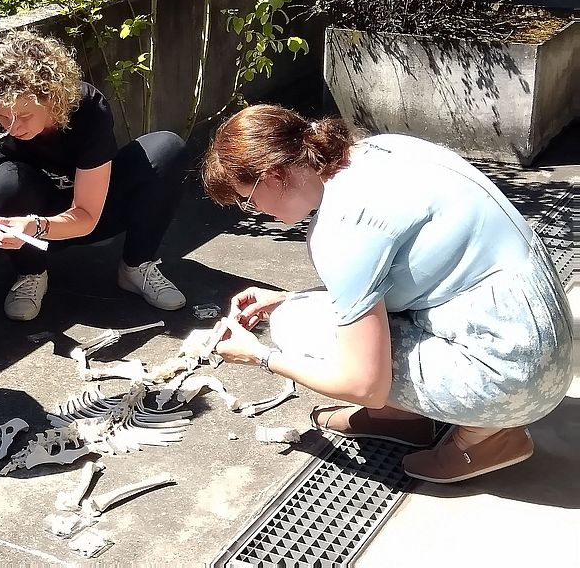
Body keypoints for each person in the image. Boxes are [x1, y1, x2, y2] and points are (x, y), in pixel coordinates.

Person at [203, 104, 573, 483]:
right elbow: (407, 268)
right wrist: (289, 296)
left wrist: (260, 356)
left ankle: (488, 436)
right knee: (298, 309)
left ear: (275, 176)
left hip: (515, 379)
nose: (253, 212)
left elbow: (363, 384)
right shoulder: (379, 149)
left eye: (247, 199)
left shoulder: (340, 229)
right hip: (543, 332)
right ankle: (402, 417)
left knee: (294, 327)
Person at [0, 30, 188, 321]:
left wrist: (35, 226)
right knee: (6, 182)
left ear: (52, 98)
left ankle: (136, 266)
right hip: (31, 234)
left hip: (87, 215)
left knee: (167, 149)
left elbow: (86, 215)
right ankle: (30, 274)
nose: (13, 127)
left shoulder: (86, 108)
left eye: (24, 115)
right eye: (3, 116)